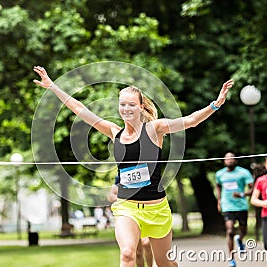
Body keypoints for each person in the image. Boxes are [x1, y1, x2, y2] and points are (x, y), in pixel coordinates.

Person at [33, 65, 234, 267]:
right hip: (126, 207)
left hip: (157, 209)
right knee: (127, 254)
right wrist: (52, 86)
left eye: (131, 104)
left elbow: (190, 121)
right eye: (122, 105)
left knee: (164, 263)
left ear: (140, 107)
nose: (126, 109)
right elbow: (80, 109)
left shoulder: (155, 129)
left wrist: (215, 104)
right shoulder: (114, 132)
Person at [215, 152, 254, 267]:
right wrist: (219, 201)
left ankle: (240, 240)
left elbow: (253, 189)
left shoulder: (243, 172)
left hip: (241, 206)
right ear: (224, 161)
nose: (229, 161)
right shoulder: (219, 174)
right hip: (228, 206)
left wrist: (242, 194)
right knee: (230, 230)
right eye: (227, 159)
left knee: (243, 230)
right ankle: (231, 259)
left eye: (232, 159)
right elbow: (218, 185)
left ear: (236, 160)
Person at [107, 178, 155, 267]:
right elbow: (110, 196)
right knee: (138, 251)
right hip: (130, 215)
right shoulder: (122, 175)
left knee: (146, 243)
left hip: (146, 212)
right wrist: (125, 198)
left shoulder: (146, 170)